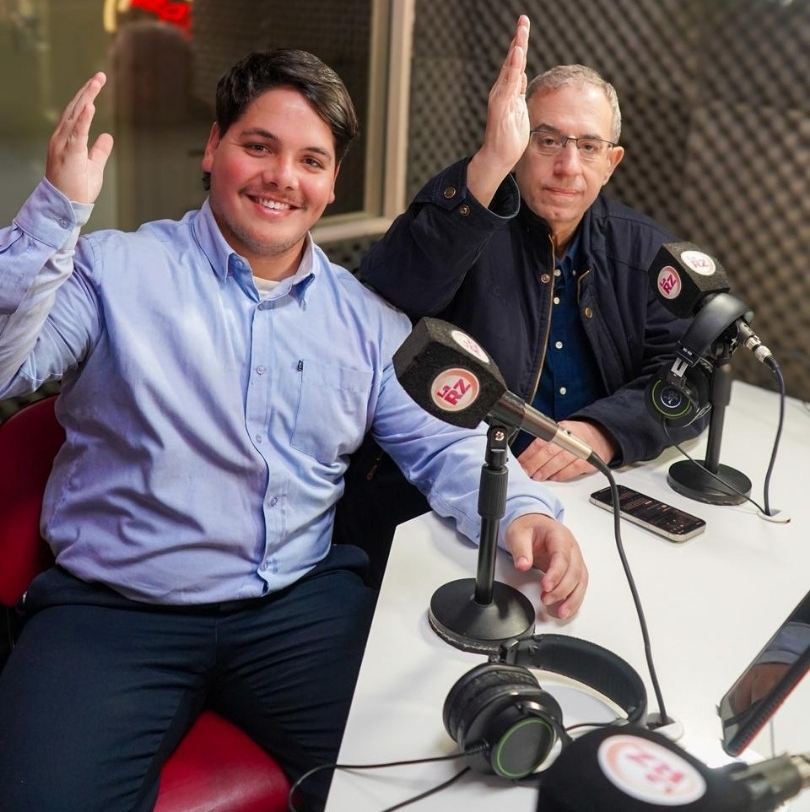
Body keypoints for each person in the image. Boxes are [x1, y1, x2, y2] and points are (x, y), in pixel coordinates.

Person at [0, 47, 587, 812]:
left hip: (297, 608)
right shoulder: (111, 270)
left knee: (433, 785)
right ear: (213, 148)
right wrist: (56, 212)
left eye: (311, 160)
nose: (283, 177)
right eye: (258, 146)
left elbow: (442, 442)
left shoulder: (364, 319)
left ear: (332, 182)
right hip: (113, 613)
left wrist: (526, 513)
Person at [359, 14, 707, 494]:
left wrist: (604, 433)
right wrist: (489, 163)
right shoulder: (468, 222)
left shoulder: (646, 250)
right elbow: (388, 292)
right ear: (520, 146)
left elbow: (690, 373)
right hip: (456, 483)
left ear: (611, 163)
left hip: (585, 489)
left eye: (589, 146)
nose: (567, 166)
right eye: (547, 141)